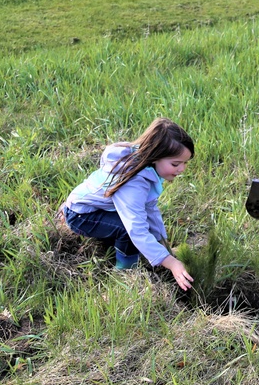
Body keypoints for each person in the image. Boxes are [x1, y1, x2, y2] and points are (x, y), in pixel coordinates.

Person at [60, 117, 195, 291]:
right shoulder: (134, 183)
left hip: (90, 207)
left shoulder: (145, 166)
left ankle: (120, 243)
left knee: (137, 225)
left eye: (185, 163)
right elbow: (136, 229)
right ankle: (126, 274)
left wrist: (163, 244)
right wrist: (170, 262)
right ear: (156, 156)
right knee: (127, 230)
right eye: (176, 164)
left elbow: (150, 209)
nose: (182, 169)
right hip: (81, 215)